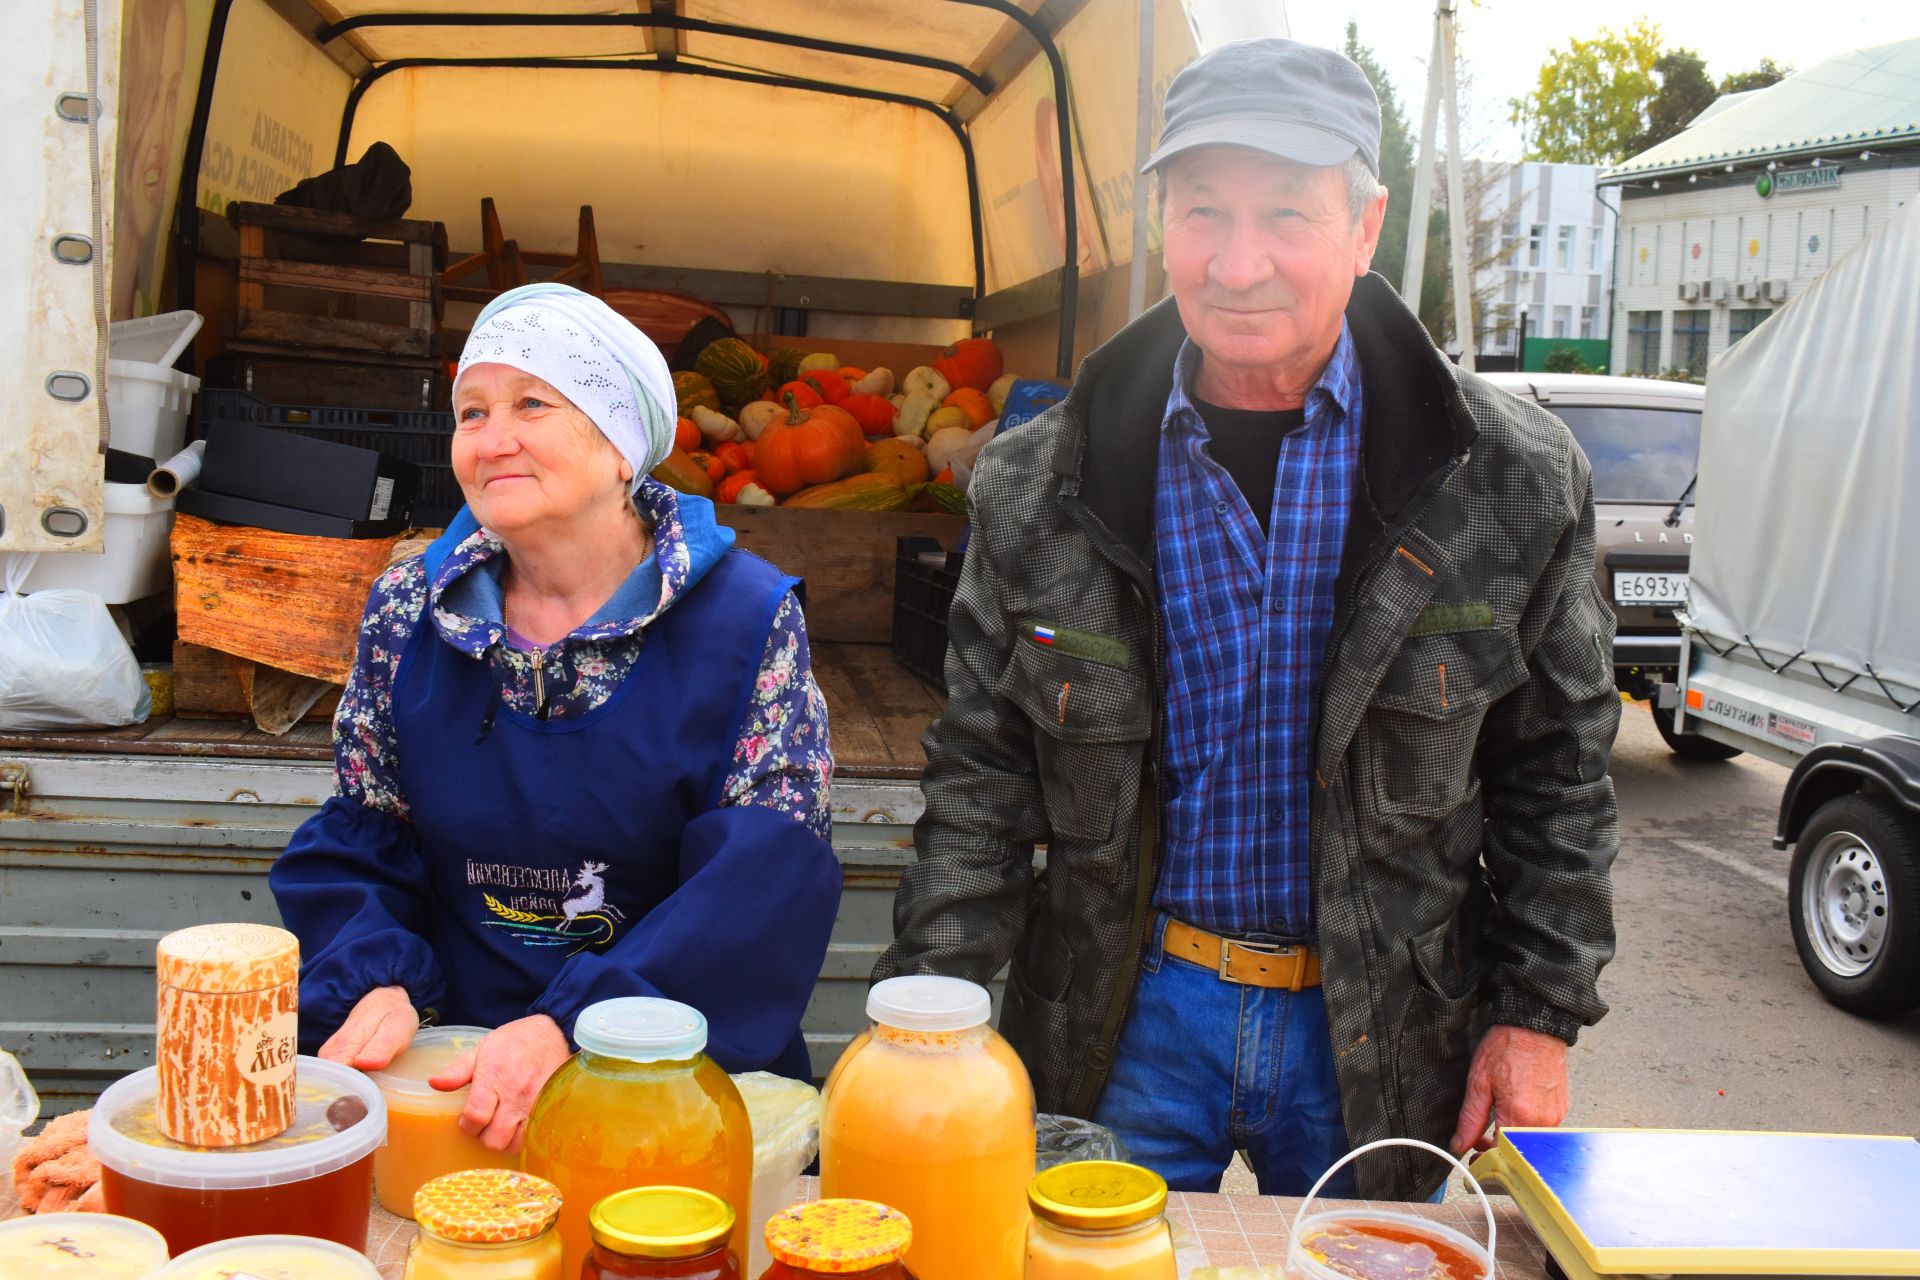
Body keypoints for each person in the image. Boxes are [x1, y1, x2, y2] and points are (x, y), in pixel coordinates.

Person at [876, 38, 1620, 1202]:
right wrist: (927, 1014)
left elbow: (1560, 773)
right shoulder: (1038, 484)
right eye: (1203, 211)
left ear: (1367, 226)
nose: (1238, 261)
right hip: (1124, 1010)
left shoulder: (1509, 477)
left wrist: (1541, 1013)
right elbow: (980, 781)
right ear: (1160, 220)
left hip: (1382, 1016)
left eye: (1287, 214)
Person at [271, 283, 841, 1152]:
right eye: (470, 412)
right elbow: (365, 835)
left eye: (531, 404)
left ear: (620, 445)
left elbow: (756, 894)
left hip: (668, 1088)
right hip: (453, 1080)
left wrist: (582, 1026)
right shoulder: (409, 609)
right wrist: (373, 980)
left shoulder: (747, 620)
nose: (492, 440)